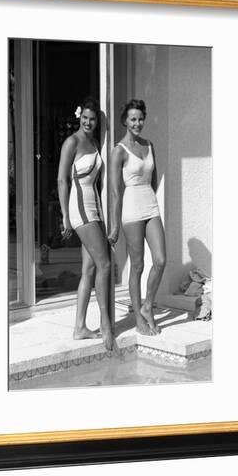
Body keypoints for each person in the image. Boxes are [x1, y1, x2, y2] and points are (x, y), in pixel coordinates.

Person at [57, 97, 116, 351]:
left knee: (90, 270)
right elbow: (62, 180)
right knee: (104, 264)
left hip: (95, 208)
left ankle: (79, 327)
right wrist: (64, 215)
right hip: (80, 209)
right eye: (85, 118)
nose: (89, 122)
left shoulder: (93, 141)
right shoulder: (72, 142)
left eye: (93, 119)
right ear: (79, 117)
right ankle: (105, 324)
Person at [108, 99, 166, 335]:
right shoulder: (118, 151)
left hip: (150, 206)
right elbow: (114, 191)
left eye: (141, 118)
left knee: (161, 260)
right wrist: (114, 226)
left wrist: (153, 201)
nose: (138, 123)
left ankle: (147, 306)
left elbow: (153, 179)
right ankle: (139, 320)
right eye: (133, 119)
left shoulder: (150, 145)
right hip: (131, 209)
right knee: (138, 265)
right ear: (125, 121)